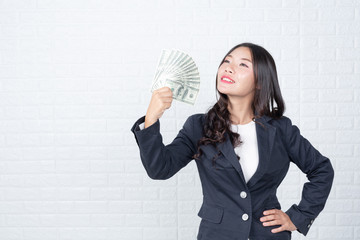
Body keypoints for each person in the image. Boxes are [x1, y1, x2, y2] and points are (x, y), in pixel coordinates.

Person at [131, 42, 334, 240]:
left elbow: (322, 169)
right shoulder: (198, 126)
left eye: (242, 64)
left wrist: (297, 218)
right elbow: (159, 169)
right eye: (227, 61)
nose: (228, 68)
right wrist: (151, 119)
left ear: (260, 81)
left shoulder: (281, 129)